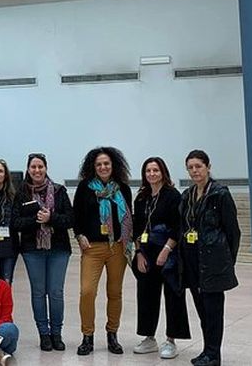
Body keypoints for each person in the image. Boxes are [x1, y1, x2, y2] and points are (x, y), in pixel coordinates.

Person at [180, 150, 240, 366]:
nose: (195, 171)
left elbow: (233, 231)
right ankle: (207, 351)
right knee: (202, 310)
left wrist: (226, 261)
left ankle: (214, 355)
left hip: (213, 261)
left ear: (208, 167)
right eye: (190, 167)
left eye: (198, 166)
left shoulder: (220, 194)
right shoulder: (187, 195)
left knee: (214, 311)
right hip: (193, 261)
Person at [72, 146, 133, 356]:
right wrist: (79, 235)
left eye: (106, 163)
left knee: (115, 293)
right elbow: (76, 216)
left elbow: (128, 217)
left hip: (117, 247)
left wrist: (128, 241)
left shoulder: (123, 188)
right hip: (93, 249)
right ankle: (87, 336)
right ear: (93, 166)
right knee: (87, 292)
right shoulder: (84, 188)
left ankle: (112, 335)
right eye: (99, 164)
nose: (103, 167)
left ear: (113, 165)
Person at [12, 152, 72, 352]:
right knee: (38, 292)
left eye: (40, 166)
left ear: (46, 168)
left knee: (56, 292)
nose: (37, 170)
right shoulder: (21, 193)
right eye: (33, 167)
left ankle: (57, 334)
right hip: (32, 250)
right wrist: (37, 220)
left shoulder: (59, 191)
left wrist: (51, 218)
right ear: (28, 170)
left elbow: (70, 220)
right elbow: (15, 223)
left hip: (59, 249)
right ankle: (44, 334)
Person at [131, 157, 190, 359]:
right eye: (148, 171)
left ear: (163, 172)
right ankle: (149, 338)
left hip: (169, 253)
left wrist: (166, 250)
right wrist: (138, 253)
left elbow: (178, 226)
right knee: (146, 295)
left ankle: (171, 339)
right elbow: (137, 228)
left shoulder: (173, 196)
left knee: (173, 296)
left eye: (155, 170)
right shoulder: (141, 198)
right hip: (146, 254)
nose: (152, 174)